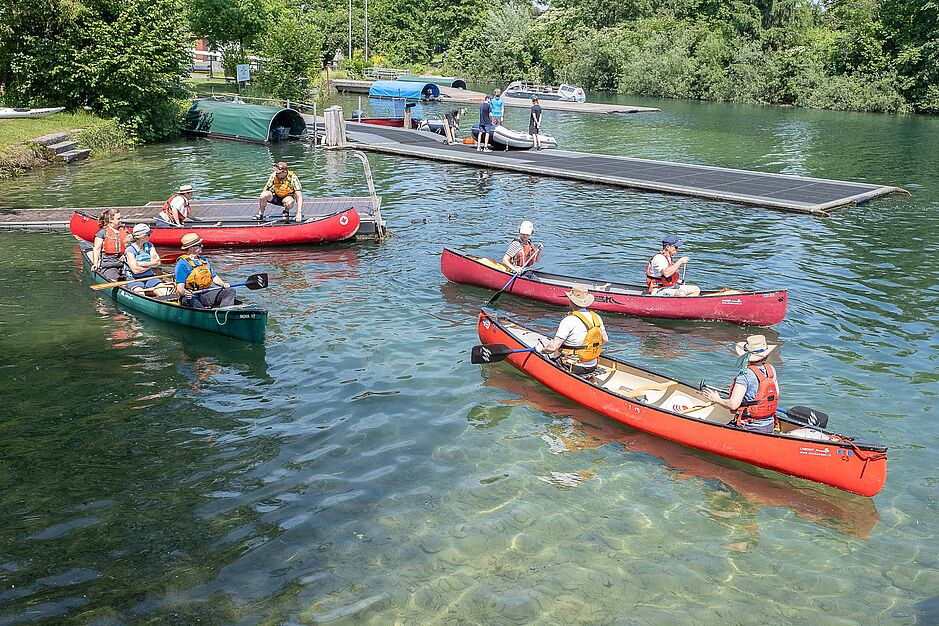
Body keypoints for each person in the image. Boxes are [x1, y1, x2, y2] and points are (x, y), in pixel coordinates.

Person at [703, 335, 779, 433]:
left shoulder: (744, 376)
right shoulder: (771, 370)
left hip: (750, 427)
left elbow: (733, 405)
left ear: (746, 356)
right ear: (765, 356)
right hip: (770, 424)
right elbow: (776, 394)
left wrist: (716, 399)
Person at [536, 284, 609, 376]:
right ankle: (591, 380)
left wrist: (541, 350)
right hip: (593, 365)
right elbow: (605, 340)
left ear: (571, 301)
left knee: (551, 352)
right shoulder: (596, 317)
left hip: (573, 366)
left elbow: (553, 347)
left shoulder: (568, 320)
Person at [174, 233, 236, 309]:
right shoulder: (182, 264)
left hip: (204, 294)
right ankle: (204, 314)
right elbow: (180, 289)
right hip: (190, 296)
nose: (202, 246)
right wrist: (185, 293)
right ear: (191, 248)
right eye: (199, 245)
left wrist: (223, 284)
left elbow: (214, 276)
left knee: (230, 291)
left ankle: (224, 313)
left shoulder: (203, 260)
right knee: (190, 299)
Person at [124, 224, 171, 295]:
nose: (150, 236)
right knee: (140, 294)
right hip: (134, 279)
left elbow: (157, 262)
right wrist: (151, 264)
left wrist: (141, 264)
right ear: (141, 237)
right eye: (148, 234)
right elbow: (136, 270)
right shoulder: (130, 250)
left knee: (164, 292)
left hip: (149, 276)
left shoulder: (149, 245)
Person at [91, 208, 130, 282]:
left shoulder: (124, 231)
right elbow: (97, 249)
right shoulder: (102, 233)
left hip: (124, 264)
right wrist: (95, 263)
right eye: (118, 218)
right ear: (110, 220)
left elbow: (131, 246)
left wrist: (125, 255)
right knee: (114, 279)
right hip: (109, 265)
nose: (120, 220)